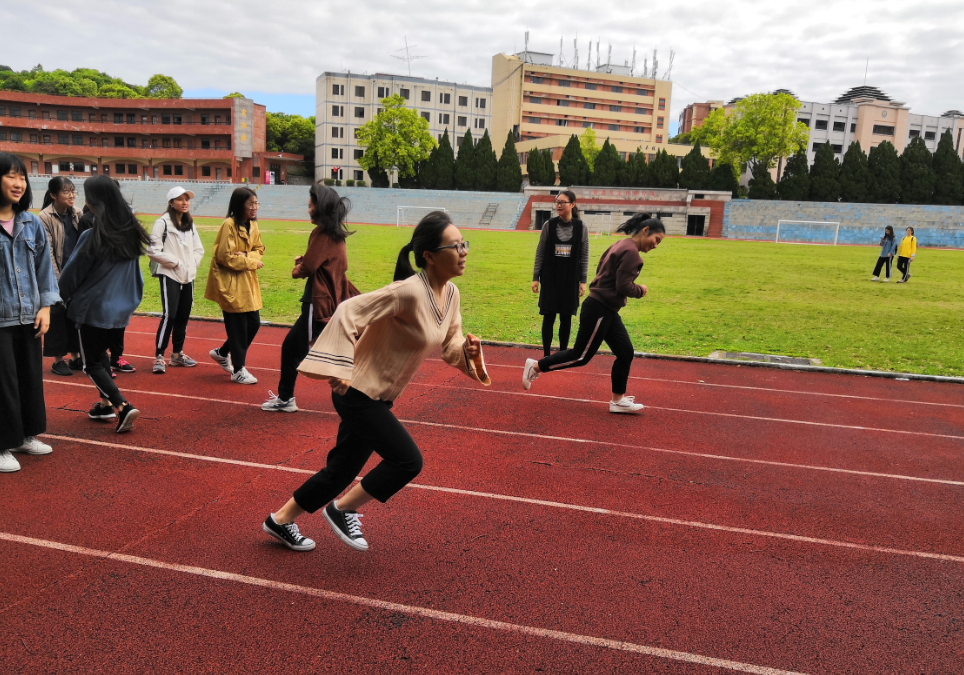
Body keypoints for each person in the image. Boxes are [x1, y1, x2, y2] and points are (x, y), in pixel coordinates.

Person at [262, 211, 490, 553]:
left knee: (340, 471)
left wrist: (467, 352)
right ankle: (342, 509)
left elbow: (450, 342)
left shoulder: (451, 294)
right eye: (456, 246)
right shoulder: (407, 292)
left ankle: (279, 520)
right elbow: (347, 312)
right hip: (356, 391)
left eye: (464, 244)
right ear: (429, 256)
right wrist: (338, 367)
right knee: (407, 461)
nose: (464, 251)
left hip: (378, 395)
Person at [522, 213, 665, 414]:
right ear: (646, 230)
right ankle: (536, 366)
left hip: (606, 308)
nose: (656, 245)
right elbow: (623, 286)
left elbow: (601, 267)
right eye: (656, 240)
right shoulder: (632, 253)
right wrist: (640, 290)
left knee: (625, 352)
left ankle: (618, 401)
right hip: (600, 308)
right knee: (580, 356)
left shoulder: (621, 244)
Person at [59, 175, 150, 434]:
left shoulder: (93, 237)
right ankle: (104, 405)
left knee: (91, 364)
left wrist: (62, 299)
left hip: (93, 310)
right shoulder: (131, 235)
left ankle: (122, 405)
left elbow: (70, 276)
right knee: (102, 357)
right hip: (120, 310)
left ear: (93, 201)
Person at [262, 183, 359, 412]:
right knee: (298, 348)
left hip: (318, 302)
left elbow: (309, 268)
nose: (308, 211)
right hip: (332, 300)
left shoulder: (322, 233)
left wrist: (297, 269)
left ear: (321, 207)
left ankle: (359, 396)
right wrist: (306, 261)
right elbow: (323, 262)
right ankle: (286, 397)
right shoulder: (336, 235)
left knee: (305, 351)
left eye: (310, 206)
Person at [0, 153, 60, 473]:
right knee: (4, 383)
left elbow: (44, 268)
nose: (18, 183)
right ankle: (2, 443)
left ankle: (25, 436)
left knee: (29, 378)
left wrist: (46, 306)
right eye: (10, 176)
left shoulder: (30, 222)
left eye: (22, 177)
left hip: (28, 315)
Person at [204, 187, 264, 384]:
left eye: (256, 203)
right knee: (238, 327)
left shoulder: (253, 225)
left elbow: (259, 249)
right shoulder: (229, 225)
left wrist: (246, 255)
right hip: (229, 282)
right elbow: (225, 257)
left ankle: (222, 352)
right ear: (240, 205)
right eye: (250, 203)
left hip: (246, 281)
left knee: (253, 323)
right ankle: (238, 370)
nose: (254, 207)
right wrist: (252, 262)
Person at [147, 186, 205, 374]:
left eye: (187, 199)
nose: (185, 202)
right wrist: (176, 263)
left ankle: (177, 354)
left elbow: (199, 249)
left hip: (188, 276)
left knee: (183, 315)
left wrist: (193, 263)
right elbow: (152, 250)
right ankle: (159, 356)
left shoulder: (190, 223)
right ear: (171, 202)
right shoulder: (162, 223)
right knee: (169, 315)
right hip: (170, 274)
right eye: (180, 199)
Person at [531, 189, 589, 357]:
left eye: (563, 202)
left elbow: (584, 255)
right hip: (550, 279)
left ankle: (562, 354)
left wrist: (583, 281)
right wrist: (535, 277)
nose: (559, 205)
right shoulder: (548, 225)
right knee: (548, 317)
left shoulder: (581, 227)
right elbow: (540, 252)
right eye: (557, 202)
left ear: (573, 204)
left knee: (566, 318)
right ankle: (546, 355)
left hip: (570, 280)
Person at [38, 176, 84, 376]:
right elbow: (47, 252)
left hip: (76, 275)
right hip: (55, 276)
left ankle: (75, 357)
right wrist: (57, 280)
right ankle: (58, 360)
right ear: (53, 195)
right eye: (66, 192)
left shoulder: (78, 213)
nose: (71, 195)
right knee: (57, 318)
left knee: (75, 316)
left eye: (73, 191)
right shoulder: (44, 217)